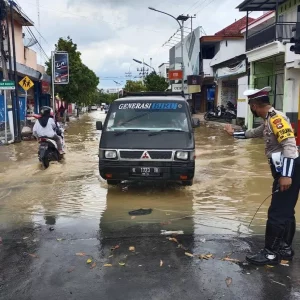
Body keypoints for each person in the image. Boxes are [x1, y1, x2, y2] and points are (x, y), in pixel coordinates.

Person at [224, 86, 300, 266]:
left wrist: (286, 175)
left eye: (251, 105)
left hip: (288, 169)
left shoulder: (277, 120)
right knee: (286, 211)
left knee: (276, 212)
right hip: (286, 169)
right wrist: (234, 133)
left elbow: (290, 146)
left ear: (255, 105)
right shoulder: (269, 120)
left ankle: (271, 254)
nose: (251, 108)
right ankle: (284, 249)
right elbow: (254, 133)